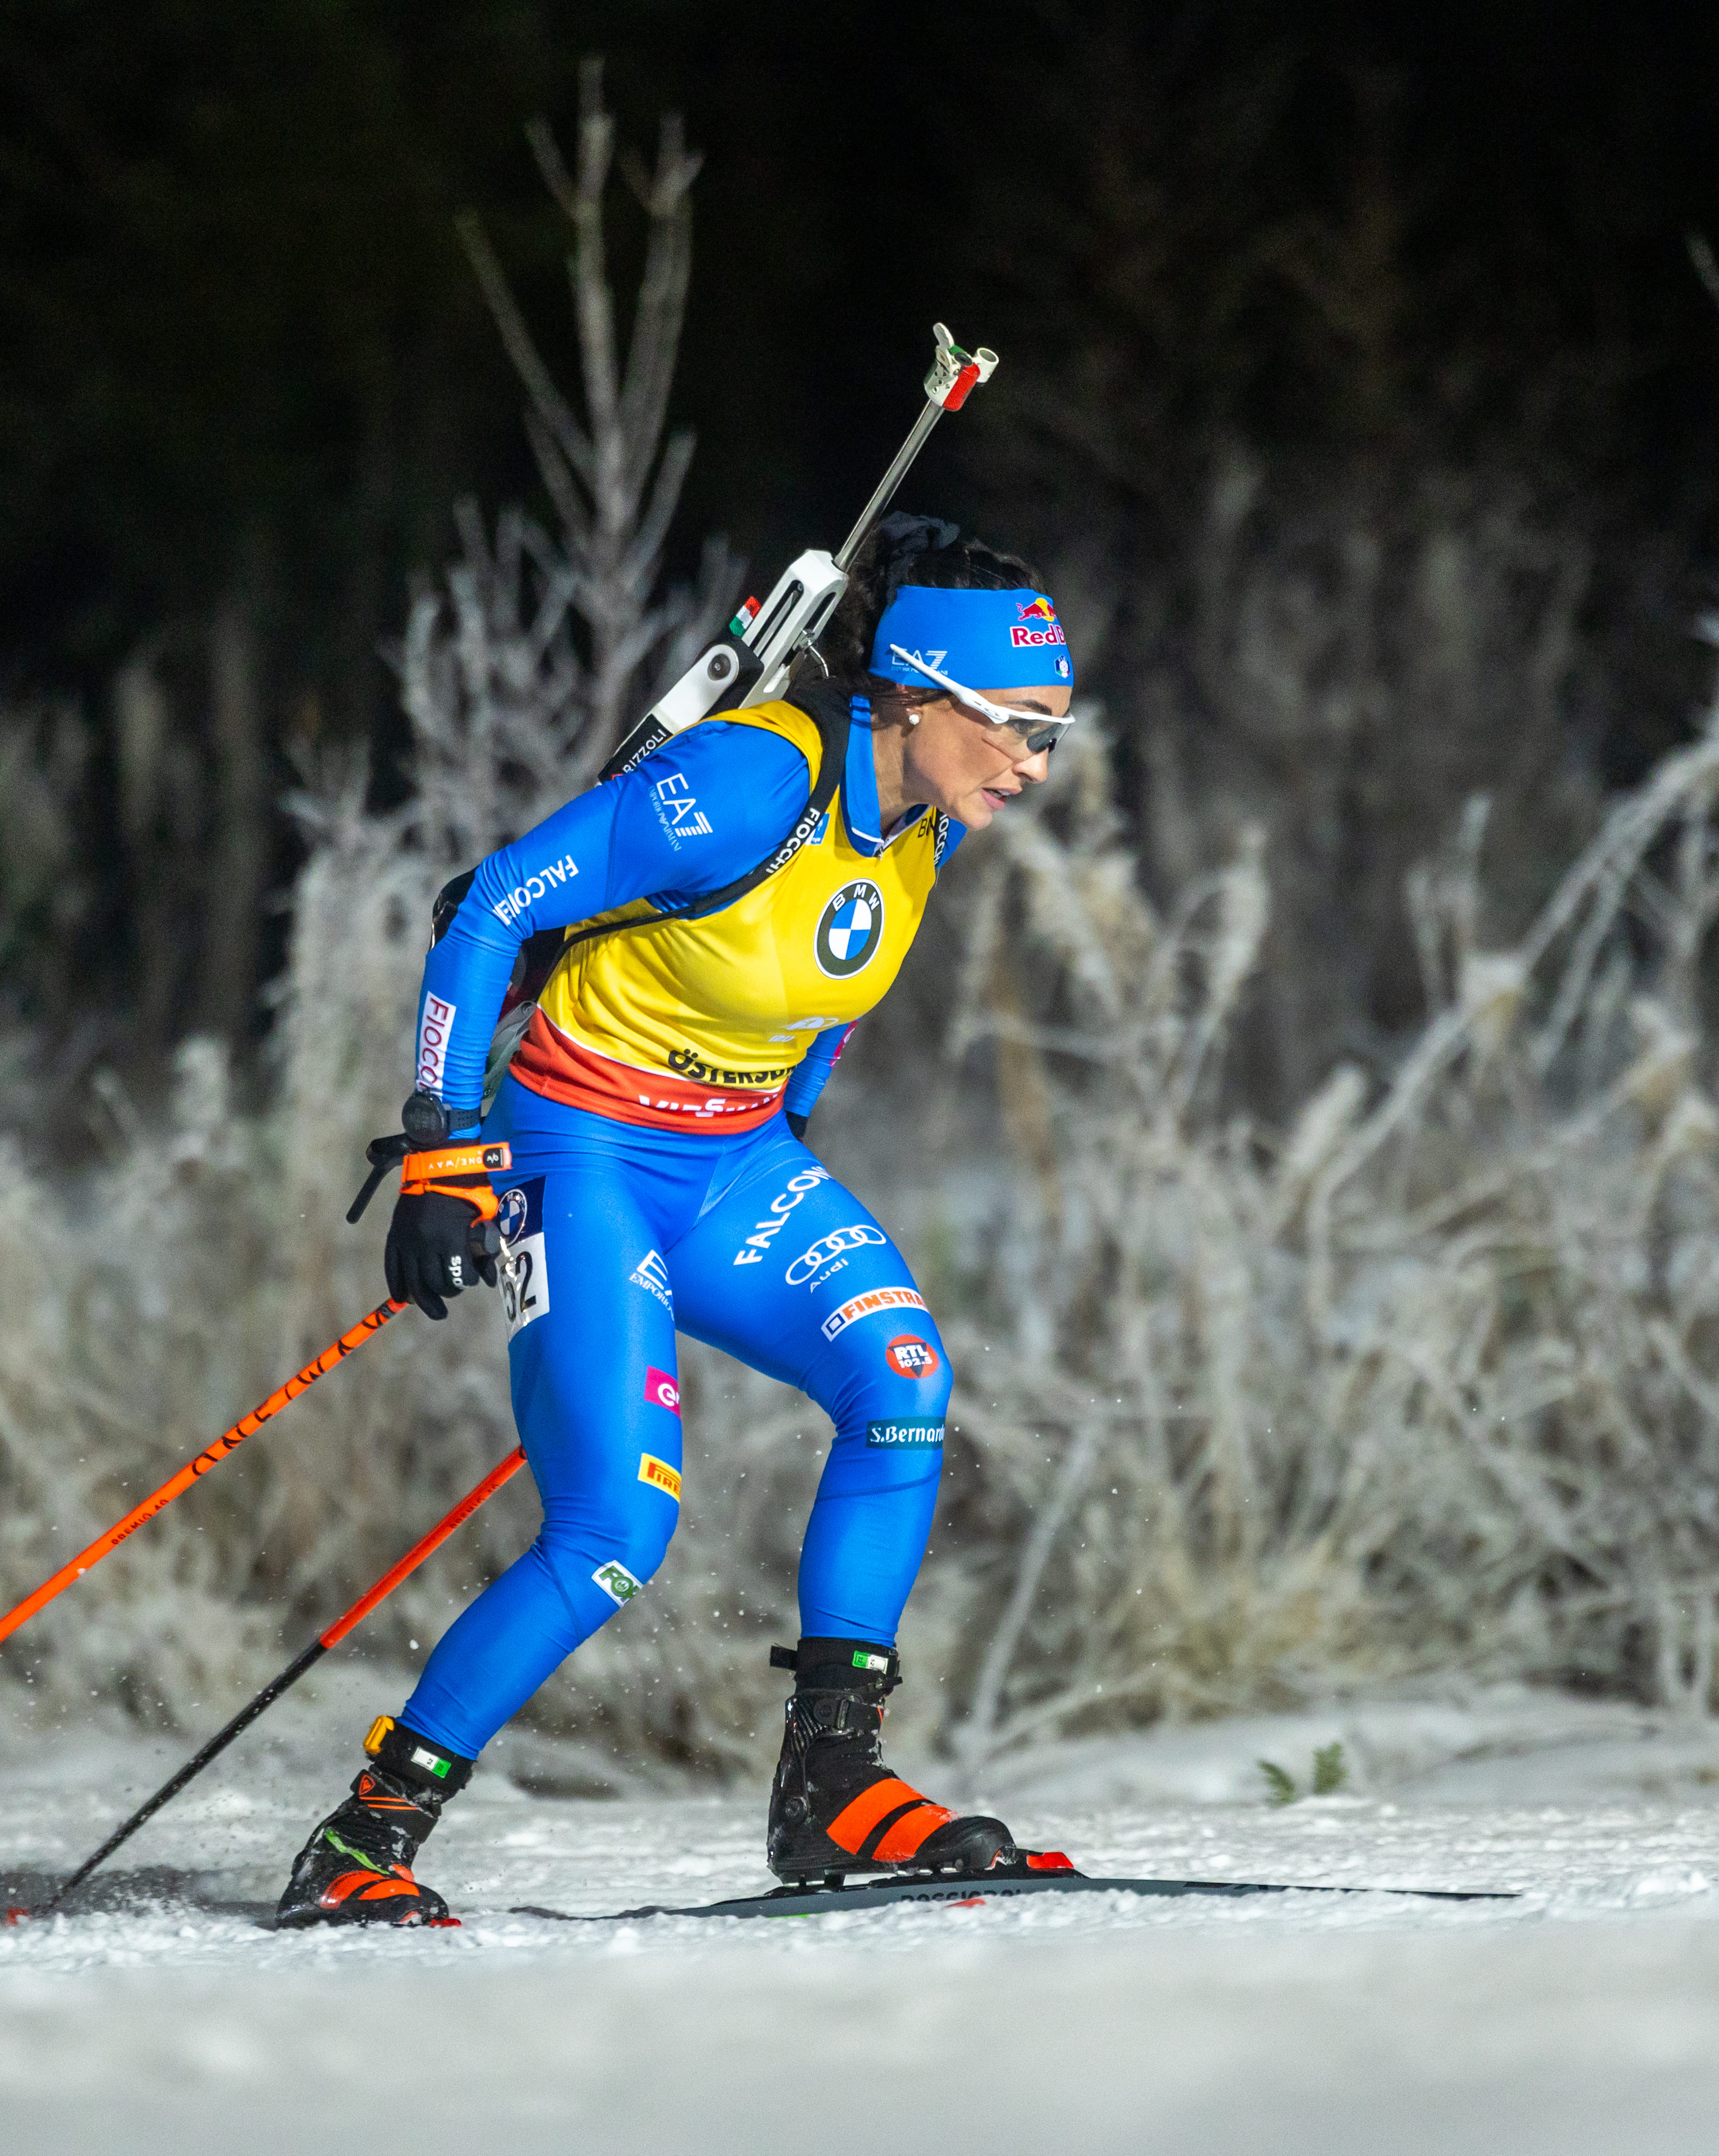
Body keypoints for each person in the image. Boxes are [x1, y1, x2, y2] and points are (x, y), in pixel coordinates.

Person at [274, 518, 1076, 1926]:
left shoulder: (927, 828)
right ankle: (365, 1839)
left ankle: (833, 1788)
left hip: (727, 1164)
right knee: (611, 1533)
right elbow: (495, 907)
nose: (1032, 763)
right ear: (910, 688)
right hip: (576, 1149)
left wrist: (794, 1125)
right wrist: (443, 1154)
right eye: (1012, 725)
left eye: (1054, 734)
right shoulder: (755, 777)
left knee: (901, 1383)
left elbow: (821, 1003)